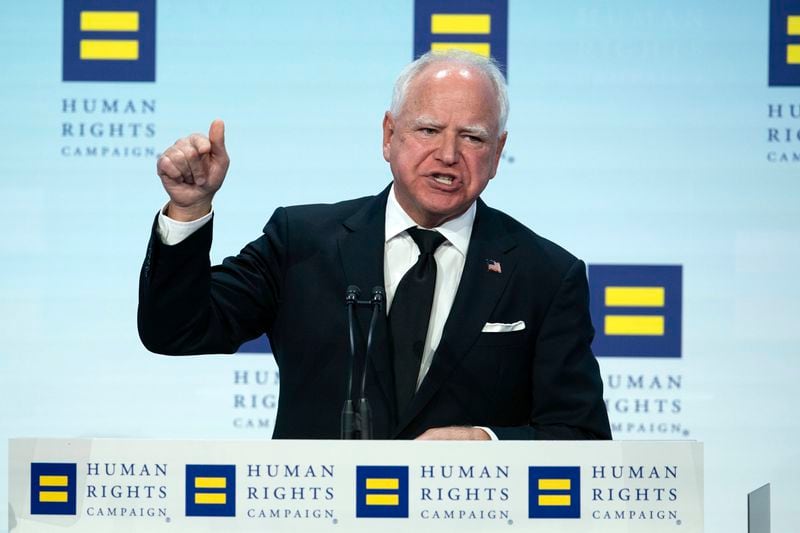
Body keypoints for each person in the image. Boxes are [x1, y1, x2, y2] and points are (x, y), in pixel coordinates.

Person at [139, 50, 611, 441]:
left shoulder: (545, 275)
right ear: (389, 135)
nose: (448, 154)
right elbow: (176, 330)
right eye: (428, 130)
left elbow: (582, 434)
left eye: (472, 137)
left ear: (497, 152)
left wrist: (486, 442)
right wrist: (188, 210)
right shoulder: (301, 241)